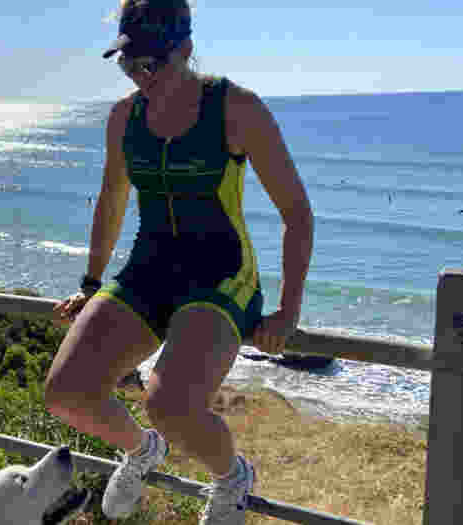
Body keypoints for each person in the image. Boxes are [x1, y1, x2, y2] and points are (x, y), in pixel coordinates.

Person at [45, 1, 314, 523]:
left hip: (220, 276)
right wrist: (91, 283)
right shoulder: (125, 116)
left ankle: (232, 476)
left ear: (186, 50)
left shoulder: (236, 108)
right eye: (130, 64)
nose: (141, 76)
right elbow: (113, 198)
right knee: (67, 392)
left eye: (153, 63)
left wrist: (288, 310)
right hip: (149, 272)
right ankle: (143, 450)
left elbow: (297, 213)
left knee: (169, 403)